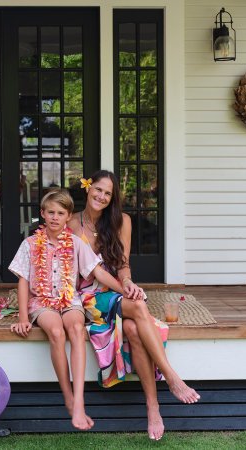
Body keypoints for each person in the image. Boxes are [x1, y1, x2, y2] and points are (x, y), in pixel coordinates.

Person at [68, 170, 200, 440]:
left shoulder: (121, 221)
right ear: (87, 188)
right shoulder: (70, 223)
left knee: (133, 328)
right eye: (98, 190)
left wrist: (127, 282)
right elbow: (80, 273)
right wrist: (123, 289)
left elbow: (122, 265)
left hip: (114, 292)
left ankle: (153, 408)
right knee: (139, 308)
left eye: (108, 193)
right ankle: (172, 377)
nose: (102, 196)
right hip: (86, 297)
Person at [9, 189, 130, 431]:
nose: (55, 217)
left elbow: (98, 272)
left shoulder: (75, 243)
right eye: (50, 212)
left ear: (68, 217)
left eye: (60, 213)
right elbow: (23, 281)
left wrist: (125, 289)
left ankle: (79, 401)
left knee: (75, 327)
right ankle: (67, 396)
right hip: (41, 302)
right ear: (42, 214)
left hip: (69, 299)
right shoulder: (30, 244)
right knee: (55, 332)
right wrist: (23, 317)